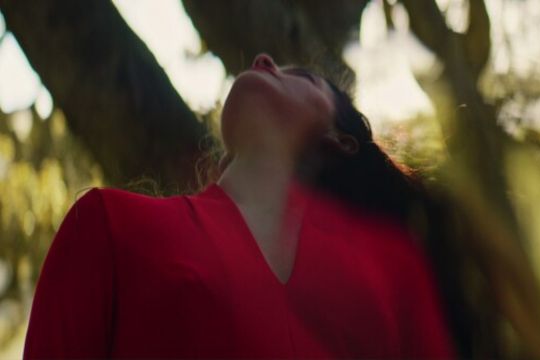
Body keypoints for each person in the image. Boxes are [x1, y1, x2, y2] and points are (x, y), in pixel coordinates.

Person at [22, 53, 457, 359]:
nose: (263, 59)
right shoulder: (109, 225)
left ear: (339, 141)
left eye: (303, 77)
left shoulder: (388, 285)